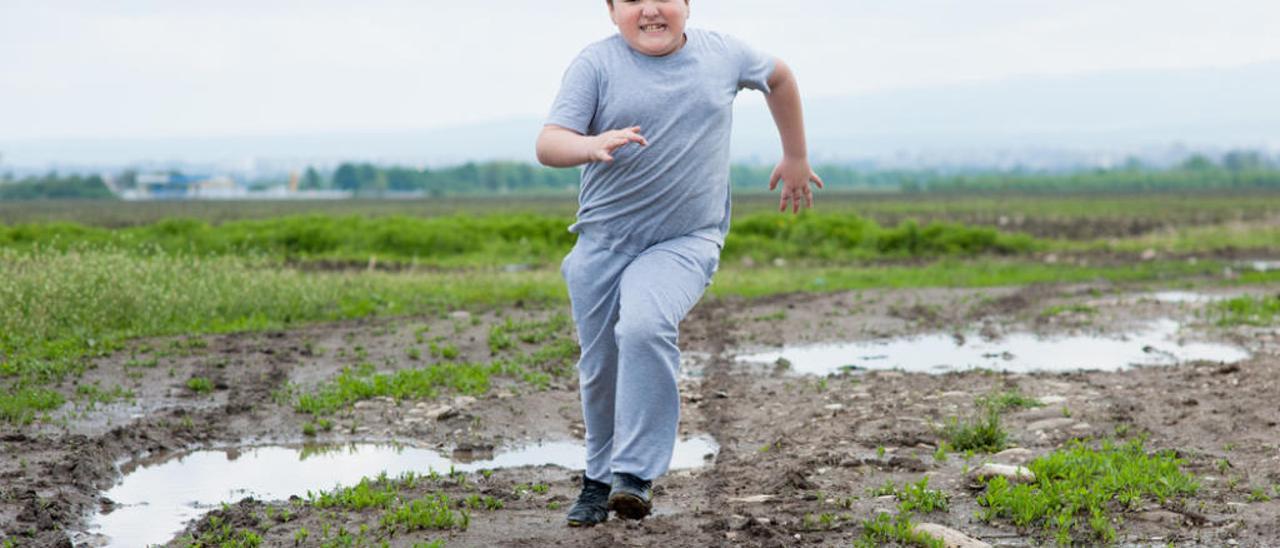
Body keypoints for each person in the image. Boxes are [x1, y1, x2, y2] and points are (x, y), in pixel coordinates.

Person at [535, 0, 823, 526]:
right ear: (611, 10)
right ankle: (598, 481)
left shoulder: (725, 55)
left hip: (685, 241)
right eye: (631, 0)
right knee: (601, 369)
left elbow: (779, 78)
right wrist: (590, 143)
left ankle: (634, 475)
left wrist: (796, 154)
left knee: (644, 325)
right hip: (603, 242)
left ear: (687, 5)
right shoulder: (596, 65)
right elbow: (549, 144)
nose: (649, 9)